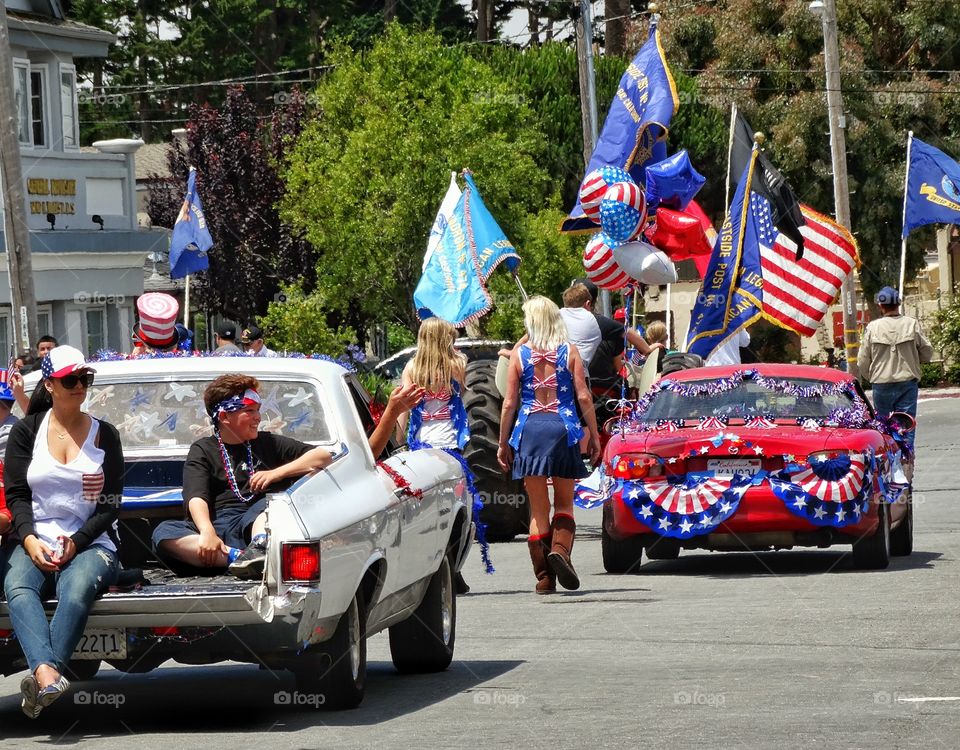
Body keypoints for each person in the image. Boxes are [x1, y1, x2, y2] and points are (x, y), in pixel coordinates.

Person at [153, 374, 423, 579]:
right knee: (163, 533)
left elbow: (322, 458)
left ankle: (259, 550)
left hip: (262, 518)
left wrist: (276, 473)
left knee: (270, 508)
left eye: (258, 409)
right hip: (222, 526)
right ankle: (238, 559)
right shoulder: (204, 449)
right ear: (224, 416)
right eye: (250, 410)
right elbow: (196, 497)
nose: (258, 417)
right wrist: (208, 532)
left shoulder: (268, 443)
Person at [2, 345, 122, 718]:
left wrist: (79, 541)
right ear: (50, 384)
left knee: (76, 589)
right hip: (35, 536)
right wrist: (28, 538)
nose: (79, 386)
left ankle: (44, 676)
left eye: (85, 379)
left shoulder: (105, 435)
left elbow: (111, 504)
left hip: (92, 541)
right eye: (70, 380)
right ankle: (48, 674)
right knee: (18, 587)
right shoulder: (26, 432)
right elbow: (18, 495)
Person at [497, 296, 600, 594]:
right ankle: (560, 552)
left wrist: (503, 443)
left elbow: (509, 403)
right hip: (562, 429)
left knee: (537, 510)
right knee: (565, 503)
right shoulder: (570, 352)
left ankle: (544, 578)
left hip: (529, 431)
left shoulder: (519, 355)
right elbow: (582, 396)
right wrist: (593, 435)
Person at [857, 286, 933, 449]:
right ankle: (906, 462)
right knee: (906, 426)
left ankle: (890, 464)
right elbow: (927, 352)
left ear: (880, 306)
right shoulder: (911, 324)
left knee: (884, 428)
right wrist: (914, 360)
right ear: (899, 304)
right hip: (907, 382)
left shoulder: (873, 327)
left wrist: (872, 377)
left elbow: (863, 360)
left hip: (881, 385)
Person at [401, 318, 468, 451]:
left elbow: (402, 407)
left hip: (421, 439)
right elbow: (463, 398)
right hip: (450, 437)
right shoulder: (457, 365)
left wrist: (399, 438)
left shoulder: (411, 368)